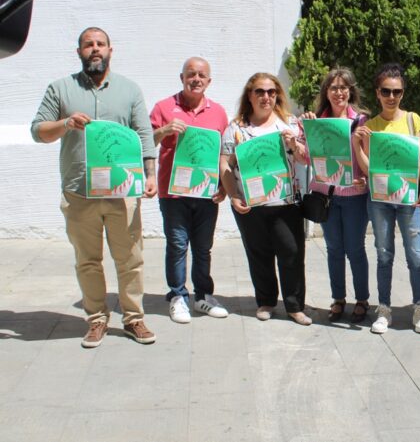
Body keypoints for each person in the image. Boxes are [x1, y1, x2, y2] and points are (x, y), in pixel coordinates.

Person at [30, 27, 157, 348]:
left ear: (111, 50)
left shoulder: (129, 90)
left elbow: (144, 134)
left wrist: (150, 174)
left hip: (122, 192)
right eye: (89, 45)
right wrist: (65, 123)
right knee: (87, 259)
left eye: (100, 44)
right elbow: (38, 131)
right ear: (79, 52)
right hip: (79, 193)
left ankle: (134, 319)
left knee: (130, 259)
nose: (95, 49)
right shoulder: (60, 89)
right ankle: (97, 319)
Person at [219, 73, 311, 325]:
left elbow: (305, 158)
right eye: (260, 91)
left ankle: (294, 306)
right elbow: (225, 162)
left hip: (287, 202)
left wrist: (294, 145)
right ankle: (267, 301)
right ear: (250, 95)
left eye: (271, 92)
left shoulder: (289, 123)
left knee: (292, 253)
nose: (266, 96)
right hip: (251, 204)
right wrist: (234, 196)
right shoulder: (236, 127)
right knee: (258, 254)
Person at [352, 63, 420, 334]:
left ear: (402, 93)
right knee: (384, 254)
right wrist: (355, 143)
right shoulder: (369, 125)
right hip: (380, 199)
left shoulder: (412, 120)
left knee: (415, 256)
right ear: (377, 92)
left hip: (408, 198)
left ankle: (419, 309)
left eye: (396, 91)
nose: (391, 96)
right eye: (386, 91)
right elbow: (366, 167)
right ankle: (384, 309)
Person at [150, 57, 229, 324]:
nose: (196, 79)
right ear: (181, 77)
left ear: (209, 81)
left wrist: (223, 185)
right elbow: (143, 141)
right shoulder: (163, 107)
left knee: (203, 248)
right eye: (191, 74)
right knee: (177, 245)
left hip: (206, 192)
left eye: (201, 75)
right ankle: (178, 297)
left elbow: (222, 153)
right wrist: (165, 129)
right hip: (173, 193)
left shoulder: (218, 112)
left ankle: (203, 297)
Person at [302, 68, 371, 323]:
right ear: (326, 92)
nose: (339, 92)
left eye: (344, 87)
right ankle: (338, 299)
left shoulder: (362, 121)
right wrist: (300, 134)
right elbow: (307, 157)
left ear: (350, 91)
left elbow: (367, 162)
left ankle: (362, 299)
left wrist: (363, 179)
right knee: (333, 249)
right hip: (326, 196)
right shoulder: (316, 121)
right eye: (334, 88)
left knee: (355, 249)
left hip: (355, 196)